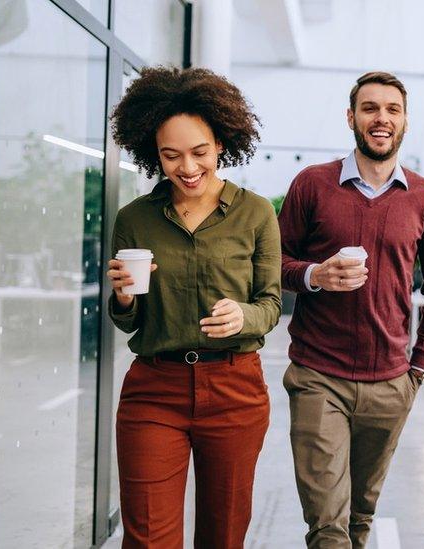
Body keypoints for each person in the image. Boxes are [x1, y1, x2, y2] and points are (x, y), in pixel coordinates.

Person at [106, 66, 280, 548]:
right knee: (147, 538)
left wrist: (243, 316)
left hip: (234, 388)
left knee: (223, 536)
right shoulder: (135, 219)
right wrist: (123, 296)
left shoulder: (256, 213)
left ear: (222, 143)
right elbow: (130, 320)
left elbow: (270, 303)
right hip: (154, 391)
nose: (187, 167)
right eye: (171, 155)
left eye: (200, 151)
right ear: (153, 153)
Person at [278, 71, 424, 549]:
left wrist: (421, 363)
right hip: (318, 374)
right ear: (351, 118)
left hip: (392, 380)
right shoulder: (312, 185)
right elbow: (271, 264)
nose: (381, 119)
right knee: (327, 525)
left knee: (360, 517)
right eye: (370, 108)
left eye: (392, 110)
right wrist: (315, 276)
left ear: (405, 122)